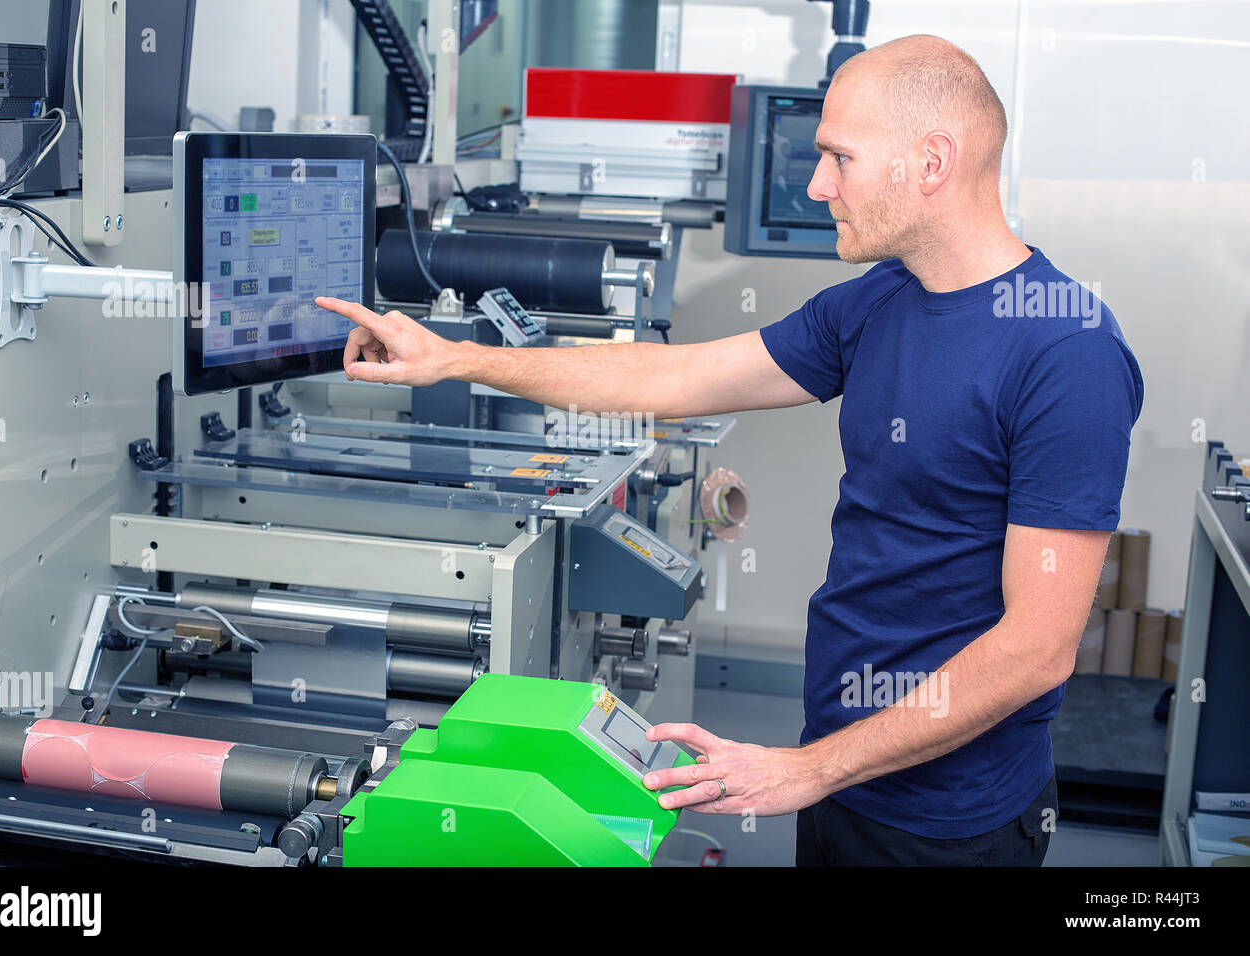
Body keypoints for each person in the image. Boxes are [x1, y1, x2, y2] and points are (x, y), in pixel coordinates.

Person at [315, 34, 1143, 866]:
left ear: (930, 162)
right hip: (840, 767)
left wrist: (810, 770)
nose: (818, 186)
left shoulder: (1066, 354)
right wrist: (460, 359)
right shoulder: (879, 303)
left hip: (951, 819)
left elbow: (1037, 650)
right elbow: (674, 377)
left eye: (839, 158)